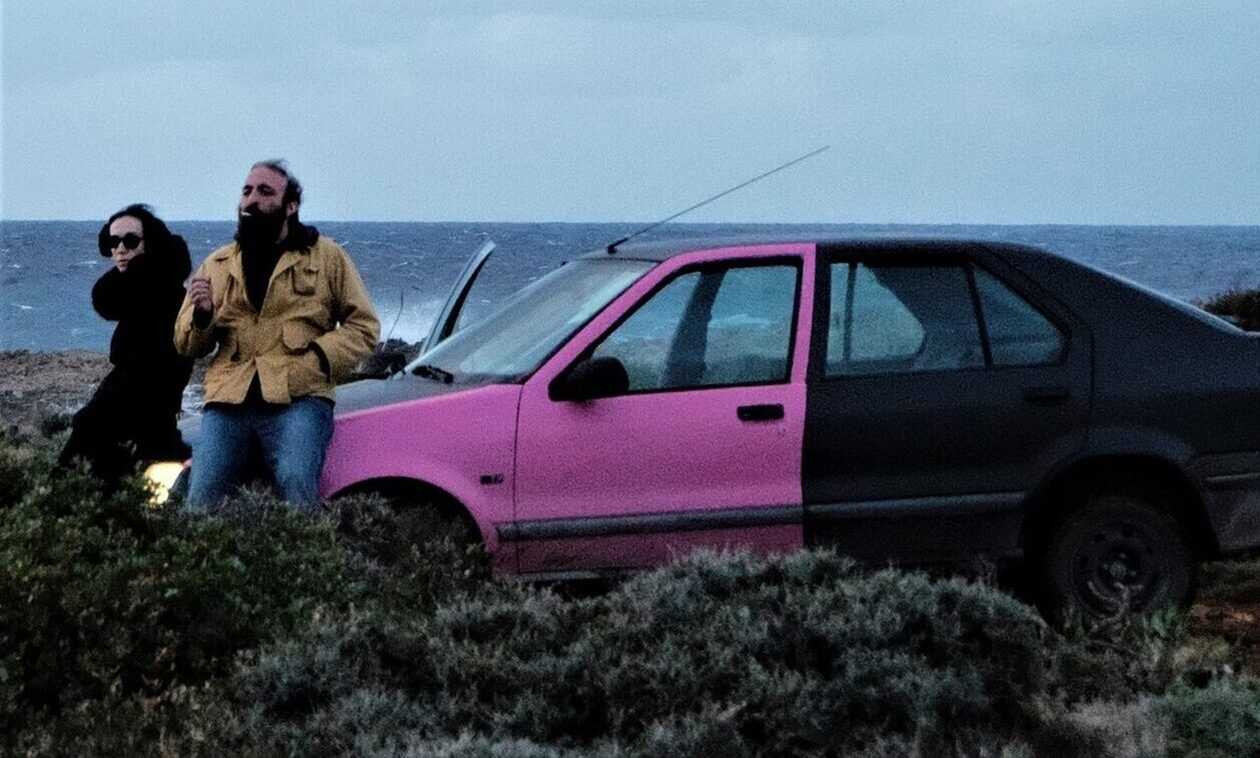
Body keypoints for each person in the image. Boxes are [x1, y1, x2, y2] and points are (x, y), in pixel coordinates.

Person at [175, 160, 379, 510]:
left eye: (265, 191)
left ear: (291, 205)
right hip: (229, 399)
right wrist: (203, 315)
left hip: (299, 397)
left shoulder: (326, 257)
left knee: (295, 479)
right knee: (202, 493)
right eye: (247, 191)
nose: (251, 199)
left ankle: (306, 547)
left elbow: (364, 327)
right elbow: (185, 344)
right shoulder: (218, 265)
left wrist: (318, 359)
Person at [59, 204, 194, 482]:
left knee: (81, 483)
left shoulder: (162, 296)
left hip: (139, 419)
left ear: (150, 243)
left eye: (131, 241)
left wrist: (98, 416)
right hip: (128, 413)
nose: (120, 249)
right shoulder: (143, 290)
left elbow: (161, 372)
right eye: (113, 242)